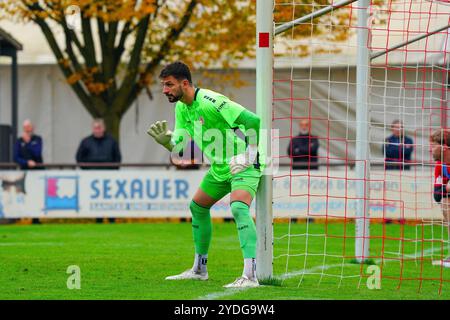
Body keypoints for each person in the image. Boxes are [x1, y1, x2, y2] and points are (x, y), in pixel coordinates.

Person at [147, 61, 262, 288]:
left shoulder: (211, 101)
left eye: (169, 85)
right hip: (219, 168)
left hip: (244, 164)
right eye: (163, 85)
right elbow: (178, 145)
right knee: (197, 207)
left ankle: (250, 276)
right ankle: (199, 269)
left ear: (185, 83)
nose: (165, 90)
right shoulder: (181, 108)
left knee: (238, 208)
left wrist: (249, 156)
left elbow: (253, 120)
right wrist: (166, 143)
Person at [430, 129, 450, 268]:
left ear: (444, 147)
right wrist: (447, 189)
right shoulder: (440, 166)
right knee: (445, 203)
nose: (430, 150)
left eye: (433, 146)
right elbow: (437, 194)